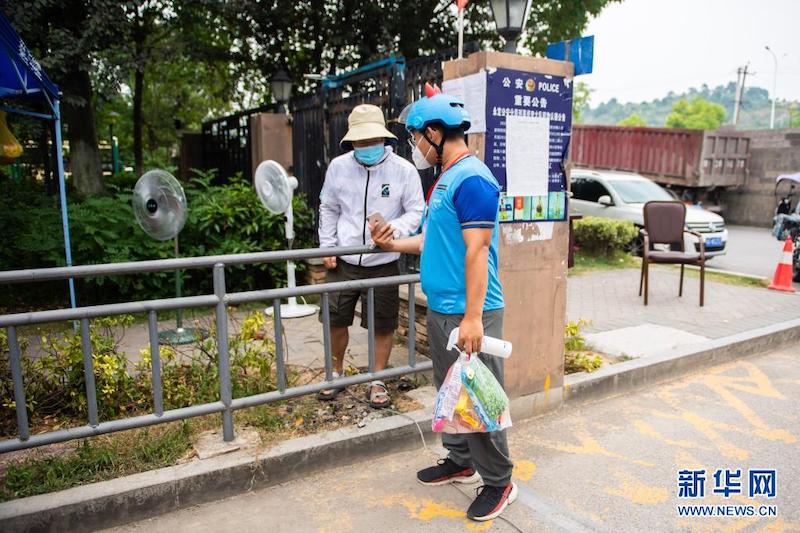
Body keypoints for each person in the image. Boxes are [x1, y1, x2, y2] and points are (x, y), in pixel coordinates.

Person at [370, 91, 516, 522]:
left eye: (416, 136)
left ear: (435, 133)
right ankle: (460, 459)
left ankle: (499, 482)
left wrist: (472, 318)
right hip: (444, 309)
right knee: (451, 393)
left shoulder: (472, 180)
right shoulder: (447, 179)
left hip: (472, 312)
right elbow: (435, 239)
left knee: (479, 400)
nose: (415, 145)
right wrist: (393, 243)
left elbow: (477, 250)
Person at [317, 104, 424, 408]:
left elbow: (416, 211)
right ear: (351, 142)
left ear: (384, 139)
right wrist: (327, 246)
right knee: (336, 319)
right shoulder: (338, 167)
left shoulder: (403, 170)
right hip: (344, 259)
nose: (366, 147)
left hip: (384, 261)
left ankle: (377, 379)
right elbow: (328, 207)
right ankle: (336, 373)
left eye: (371, 141)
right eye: (360, 142)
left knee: (383, 323)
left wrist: (394, 230)